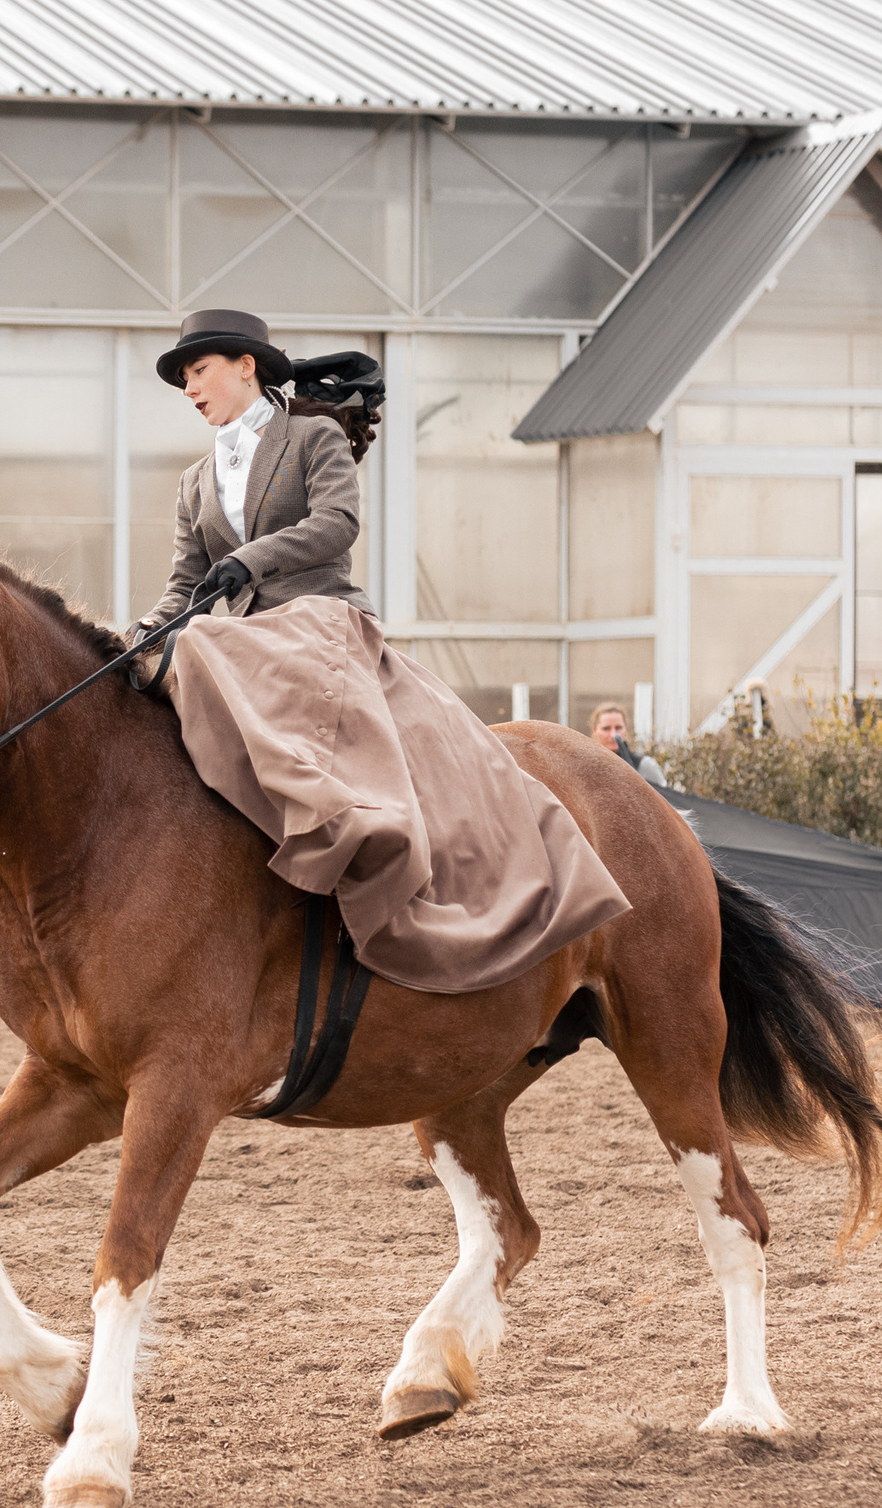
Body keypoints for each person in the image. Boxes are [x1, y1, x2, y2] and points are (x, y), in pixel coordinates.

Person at [132, 309, 628, 995]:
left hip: (319, 621)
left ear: (246, 365)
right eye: (184, 378)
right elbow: (187, 583)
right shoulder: (194, 482)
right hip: (248, 643)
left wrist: (250, 560)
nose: (189, 388)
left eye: (198, 370)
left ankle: (343, 832)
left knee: (207, 644)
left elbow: (337, 523)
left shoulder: (312, 438)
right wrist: (137, 638)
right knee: (179, 652)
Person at [589, 703, 666, 785]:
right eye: (606, 728)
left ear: (625, 729)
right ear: (594, 731)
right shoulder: (585, 767)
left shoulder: (644, 765)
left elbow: (665, 796)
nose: (614, 735)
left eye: (618, 728)